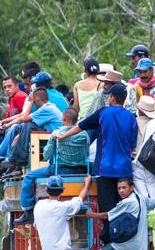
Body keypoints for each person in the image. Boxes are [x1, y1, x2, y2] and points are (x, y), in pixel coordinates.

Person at [55, 84, 137, 224]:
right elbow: (132, 146)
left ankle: (109, 241)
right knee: (124, 212)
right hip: (124, 171)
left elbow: (80, 127)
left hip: (105, 170)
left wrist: (63, 136)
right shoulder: (131, 117)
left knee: (107, 211)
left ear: (111, 98)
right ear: (124, 99)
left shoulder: (103, 113)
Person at [15, 108, 88, 225]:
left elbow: (46, 155)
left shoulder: (56, 134)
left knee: (29, 177)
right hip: (81, 169)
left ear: (63, 119)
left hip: (60, 169)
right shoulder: (84, 134)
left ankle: (28, 211)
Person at [0, 87, 64, 172]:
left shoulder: (46, 109)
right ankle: (2, 159)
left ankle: (18, 160)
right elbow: (22, 118)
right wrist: (7, 126)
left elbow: (24, 118)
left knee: (28, 125)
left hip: (55, 137)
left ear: (37, 100)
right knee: (18, 127)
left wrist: (31, 102)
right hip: (49, 134)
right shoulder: (47, 107)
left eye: (33, 100)